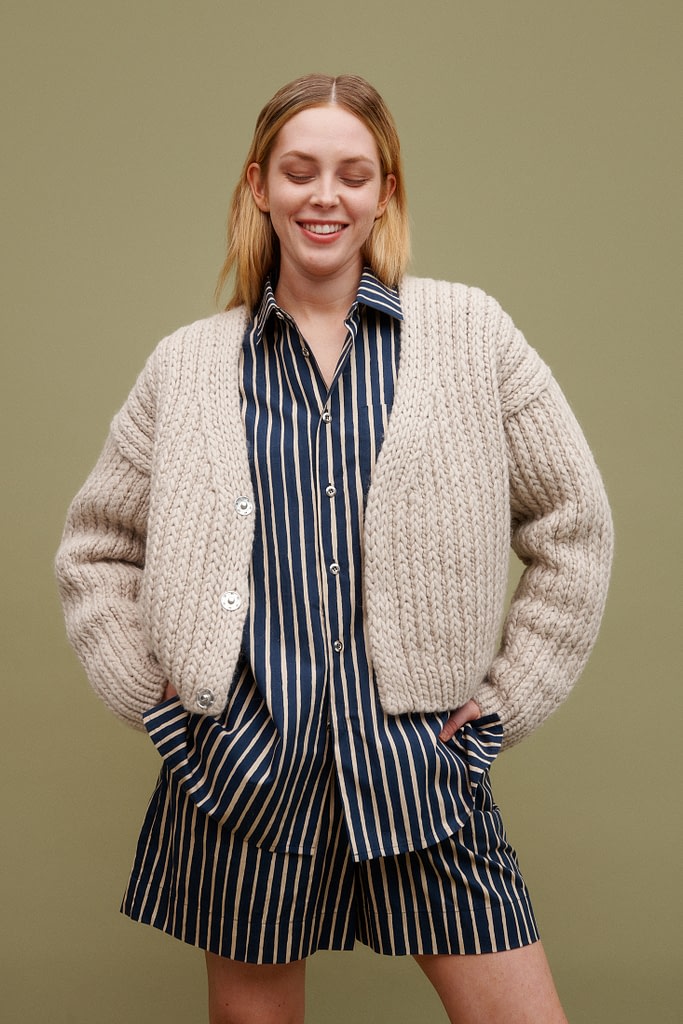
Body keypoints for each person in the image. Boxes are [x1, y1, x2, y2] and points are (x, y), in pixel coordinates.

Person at [55, 73, 613, 1023]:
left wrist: (507, 700)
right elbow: (95, 546)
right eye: (299, 171)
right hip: (241, 773)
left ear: (385, 192)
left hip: (418, 769)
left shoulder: (471, 336)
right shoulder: (187, 365)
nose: (325, 197)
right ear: (259, 185)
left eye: (353, 175)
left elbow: (574, 522)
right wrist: (152, 696)